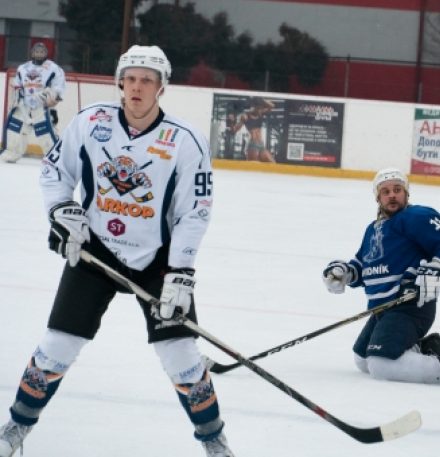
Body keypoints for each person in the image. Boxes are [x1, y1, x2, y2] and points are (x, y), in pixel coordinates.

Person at [0, 45, 234, 457]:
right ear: (119, 82)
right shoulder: (91, 122)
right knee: (57, 344)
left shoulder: (184, 139)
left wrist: (180, 271)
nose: (137, 86)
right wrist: (62, 210)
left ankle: (214, 440)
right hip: (94, 251)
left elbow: (194, 211)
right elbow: (56, 172)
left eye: (148, 79)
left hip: (158, 261)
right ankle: (16, 427)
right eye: (131, 78)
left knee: (179, 352)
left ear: (162, 87)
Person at [322, 168, 440, 388]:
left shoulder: (414, 217)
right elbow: (362, 268)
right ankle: (426, 347)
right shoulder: (372, 230)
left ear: (406, 193)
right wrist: (342, 273)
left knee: (381, 365)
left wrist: (434, 268)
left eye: (397, 190)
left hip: (409, 306)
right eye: (385, 191)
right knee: (363, 360)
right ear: (378, 197)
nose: (392, 195)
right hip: (382, 310)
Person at [1, 42, 65, 163]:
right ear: (32, 53)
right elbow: (17, 84)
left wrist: (52, 96)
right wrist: (18, 94)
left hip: (42, 106)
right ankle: (12, 153)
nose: (39, 54)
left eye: (41, 52)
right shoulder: (23, 68)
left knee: (45, 133)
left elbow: (59, 86)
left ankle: (55, 157)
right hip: (24, 105)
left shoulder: (53, 68)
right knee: (15, 129)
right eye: (37, 52)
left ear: (46, 53)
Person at [230, 97, 275, 162]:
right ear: (253, 106)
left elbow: (272, 106)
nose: (260, 111)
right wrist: (231, 122)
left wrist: (262, 99)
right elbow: (234, 130)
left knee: (273, 164)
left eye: (261, 108)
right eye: (258, 109)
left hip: (261, 145)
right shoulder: (245, 116)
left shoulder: (260, 113)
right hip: (252, 146)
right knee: (254, 168)